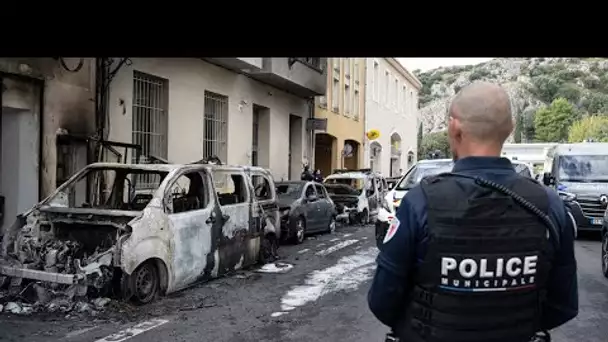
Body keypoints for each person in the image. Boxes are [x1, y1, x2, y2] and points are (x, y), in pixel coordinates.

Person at [368, 82, 578, 342]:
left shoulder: (419, 202)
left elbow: (382, 301)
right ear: (511, 128)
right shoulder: (550, 205)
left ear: (454, 128)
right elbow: (563, 305)